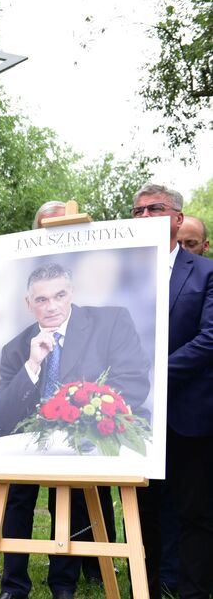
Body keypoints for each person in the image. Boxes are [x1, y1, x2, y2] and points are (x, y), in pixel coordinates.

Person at [0, 262, 151, 599]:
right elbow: (0, 414)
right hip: (30, 441)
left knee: (75, 491)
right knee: (16, 491)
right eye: (42, 299)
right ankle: (13, 585)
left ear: (72, 293)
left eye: (59, 295)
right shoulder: (16, 347)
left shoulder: (109, 322)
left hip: (85, 435)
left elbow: (133, 381)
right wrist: (32, 365)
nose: (52, 306)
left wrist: (84, 415)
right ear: (29, 304)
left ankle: (64, 584)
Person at [131, 184, 213, 599]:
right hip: (133, 416)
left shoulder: (205, 272)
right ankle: (145, 586)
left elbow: (210, 338)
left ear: (178, 219)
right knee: (141, 510)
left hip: (188, 412)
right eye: (138, 211)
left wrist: (153, 375)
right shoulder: (122, 272)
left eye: (155, 208)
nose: (145, 216)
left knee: (194, 510)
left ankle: (193, 590)